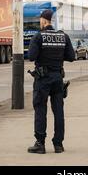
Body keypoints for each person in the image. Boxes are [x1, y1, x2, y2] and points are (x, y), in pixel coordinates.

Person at [27, 9, 75, 154]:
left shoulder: (39, 36)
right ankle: (58, 144)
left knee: (41, 109)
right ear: (52, 21)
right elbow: (71, 56)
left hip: (43, 79)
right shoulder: (63, 36)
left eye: (40, 20)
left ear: (43, 21)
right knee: (58, 111)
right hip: (58, 78)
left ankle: (40, 144)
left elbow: (31, 56)